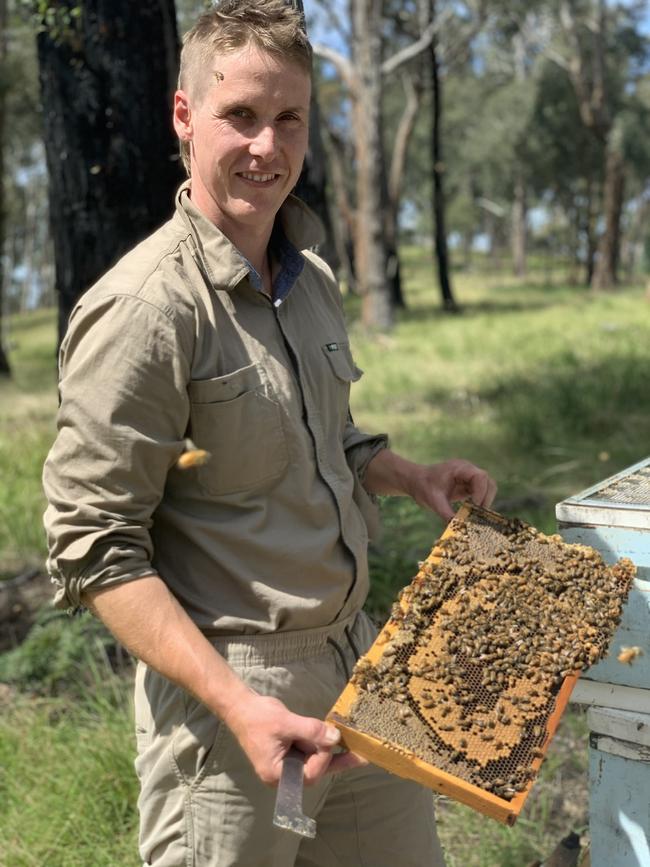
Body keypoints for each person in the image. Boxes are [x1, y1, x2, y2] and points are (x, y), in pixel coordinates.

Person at [43, 2, 497, 865]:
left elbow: (326, 437)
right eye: (240, 116)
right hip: (230, 698)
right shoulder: (145, 309)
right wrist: (237, 704)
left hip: (360, 671)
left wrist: (407, 473)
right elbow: (93, 545)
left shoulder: (309, 275)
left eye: (288, 118)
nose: (267, 146)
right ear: (184, 116)